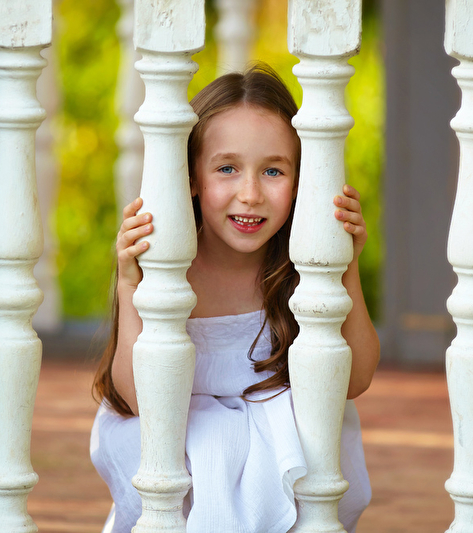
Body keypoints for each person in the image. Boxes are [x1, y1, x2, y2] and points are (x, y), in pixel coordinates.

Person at [90, 64, 380, 533]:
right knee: (194, 445)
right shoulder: (165, 267)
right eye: (227, 168)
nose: (250, 194)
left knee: (312, 431)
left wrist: (344, 265)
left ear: (300, 182)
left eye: (273, 171)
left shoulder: (299, 271)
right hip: (182, 447)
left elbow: (356, 377)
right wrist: (128, 285)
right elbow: (140, 398)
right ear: (191, 178)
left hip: (285, 449)